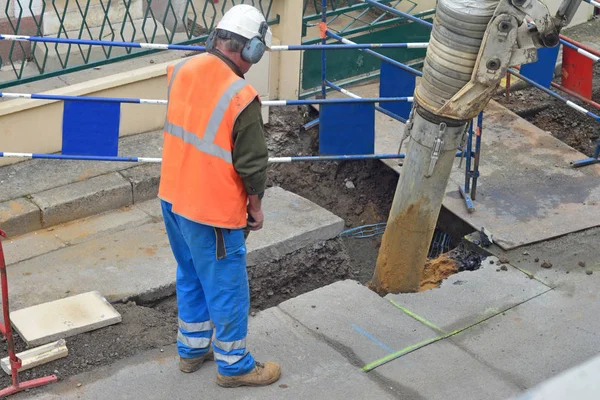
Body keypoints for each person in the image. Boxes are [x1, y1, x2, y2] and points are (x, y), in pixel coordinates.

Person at [158, 4, 281, 388]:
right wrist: (256, 207)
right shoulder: (240, 95)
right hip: (209, 210)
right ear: (252, 51)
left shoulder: (181, 70)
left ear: (216, 37)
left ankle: (192, 350)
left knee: (191, 273)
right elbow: (252, 163)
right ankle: (235, 365)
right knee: (227, 283)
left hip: (173, 197)